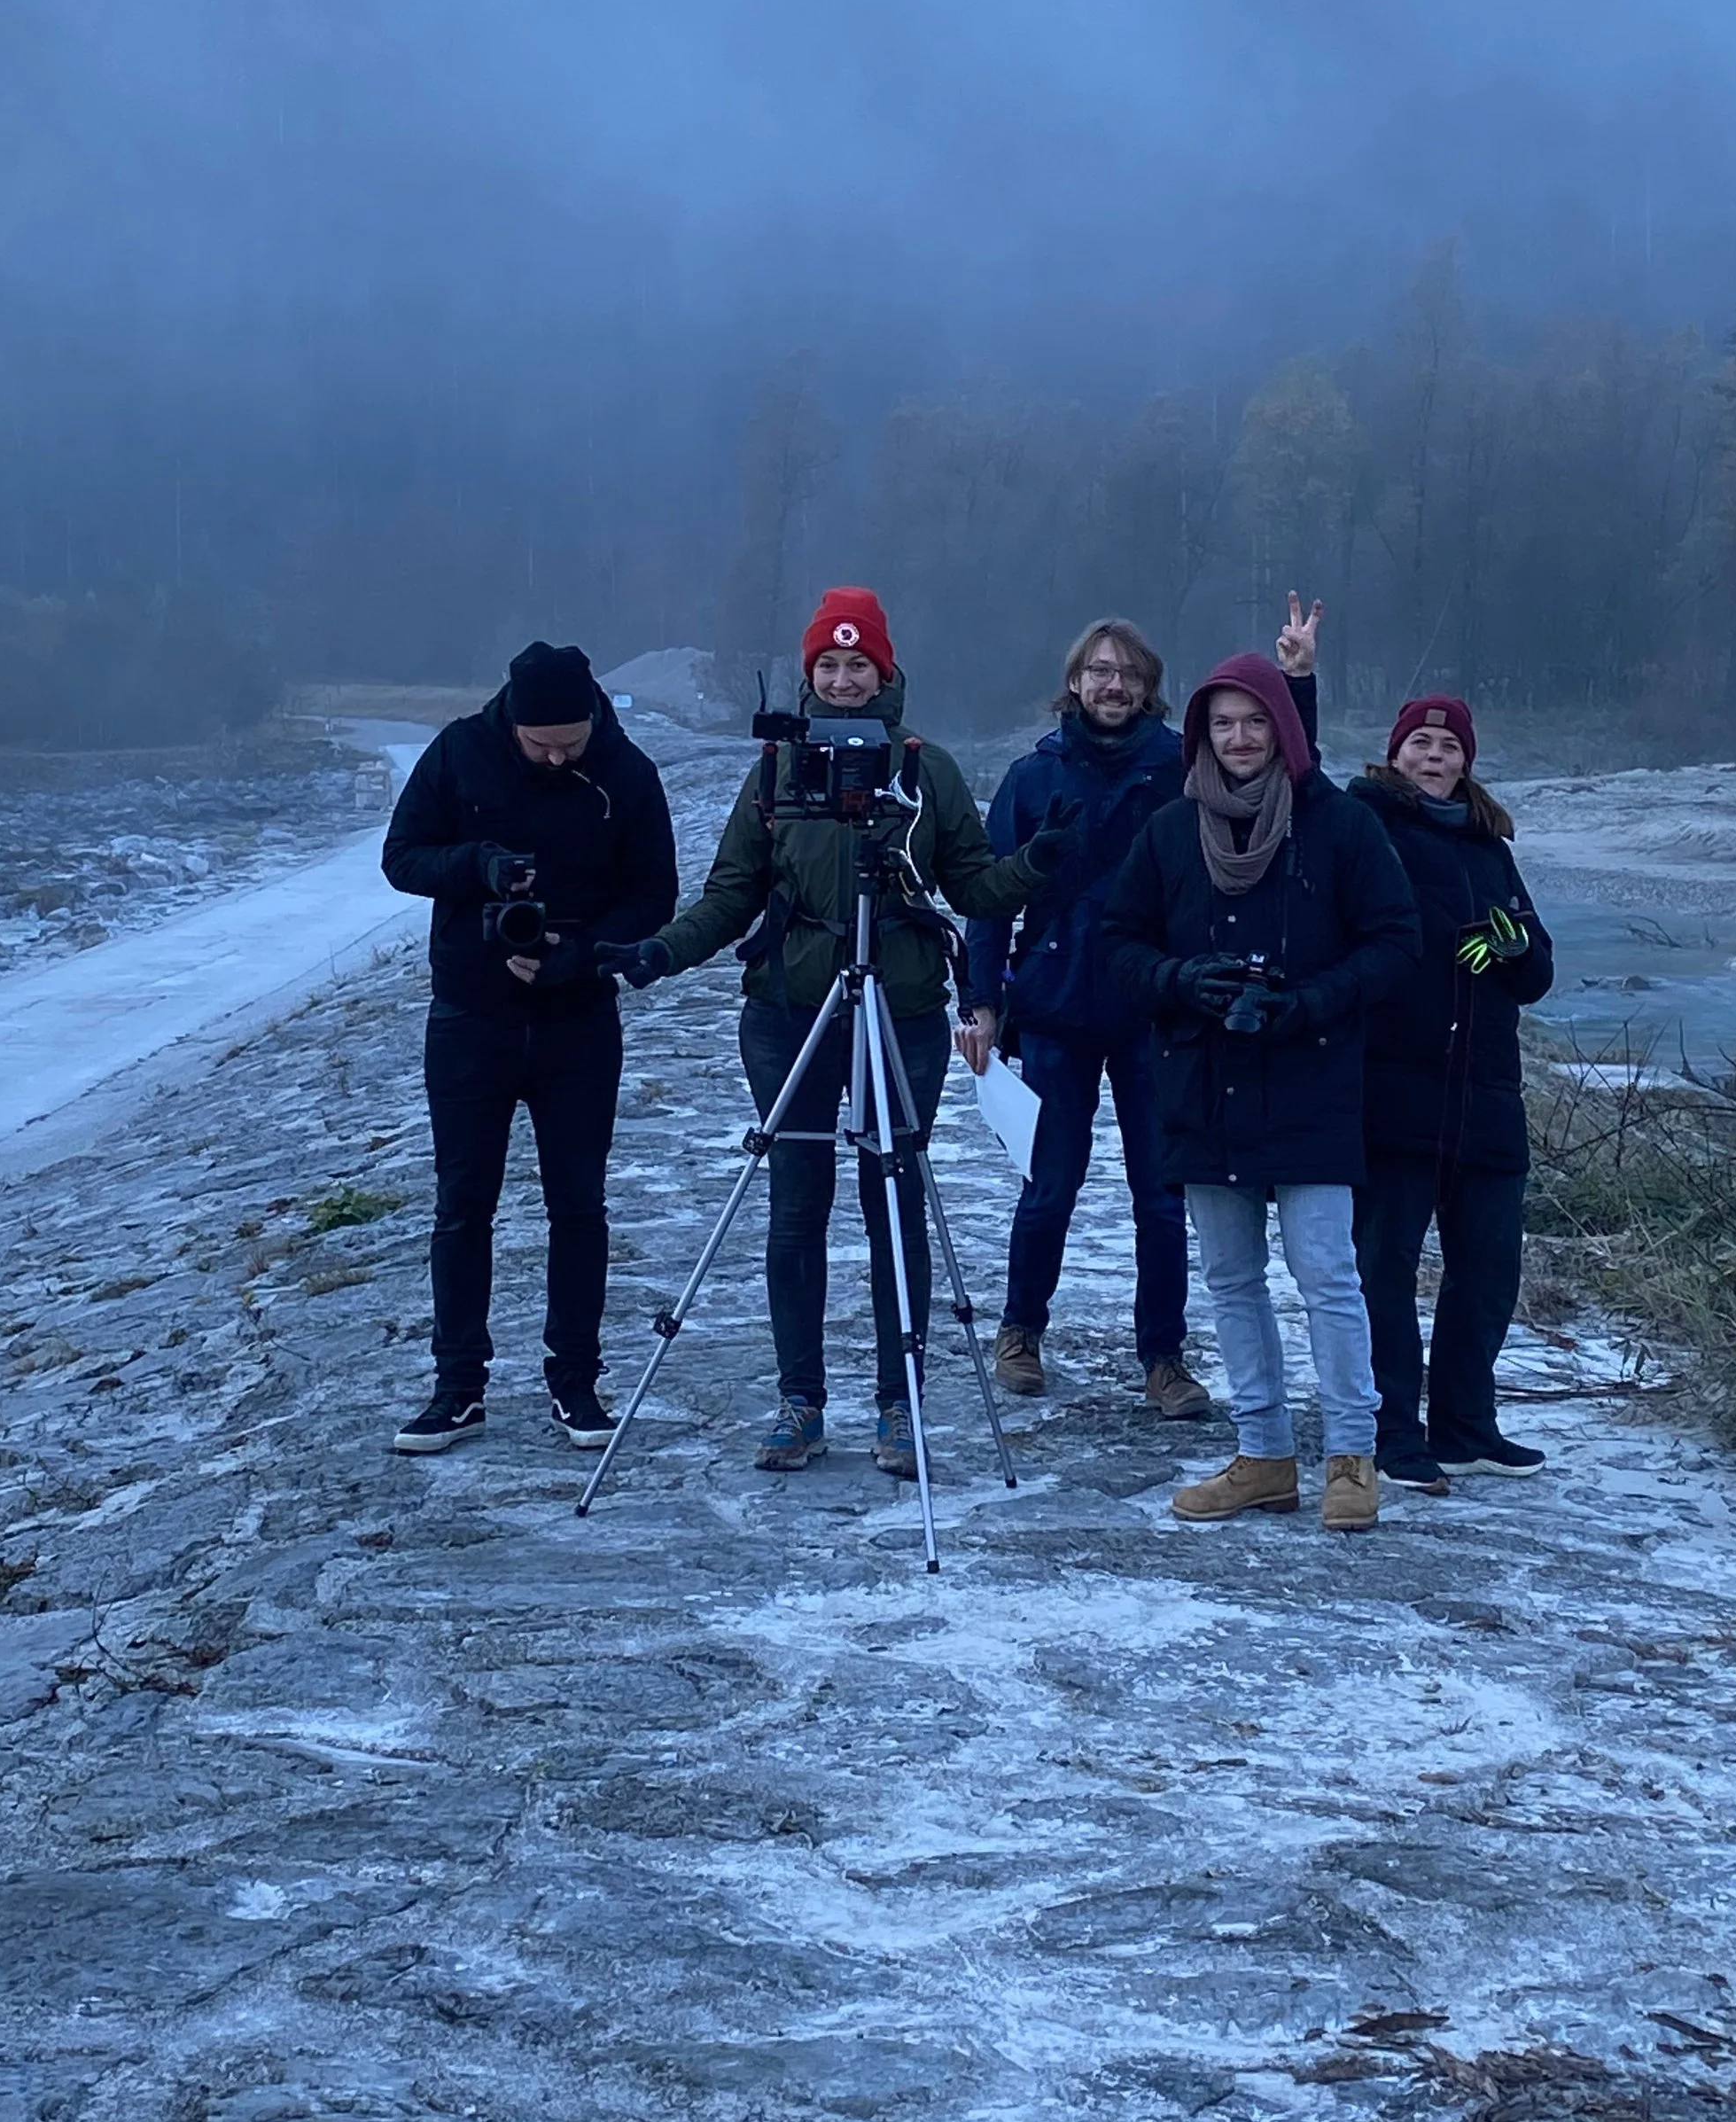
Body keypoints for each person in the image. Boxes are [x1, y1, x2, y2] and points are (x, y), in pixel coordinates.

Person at [601, 587, 1058, 1478]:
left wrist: (1037, 863)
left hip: (905, 1012)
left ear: (884, 673)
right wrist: (663, 951)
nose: (844, 680)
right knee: (795, 1204)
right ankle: (798, 1402)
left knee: (893, 1203)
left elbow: (972, 886)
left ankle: (899, 1406)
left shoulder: (924, 772)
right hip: (787, 1012)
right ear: (809, 676)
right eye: (828, 665)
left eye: (859, 665)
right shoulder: (776, 770)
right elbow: (732, 891)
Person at [963, 613, 1320, 1421]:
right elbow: (987, 900)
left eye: (1126, 672)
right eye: (1098, 670)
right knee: (1048, 1185)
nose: (1112, 684)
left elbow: (1287, 786)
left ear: (1149, 685)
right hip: (1055, 1005)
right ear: (1076, 682)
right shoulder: (1033, 775)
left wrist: (1297, 684)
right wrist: (981, 1000)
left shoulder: (1178, 769)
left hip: (1159, 1007)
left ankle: (1164, 1355)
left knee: (1161, 1196)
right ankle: (1020, 1330)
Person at [1105, 653, 1419, 1532]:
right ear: (1200, 733)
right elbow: (1118, 942)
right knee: (1232, 1279)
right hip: (1203, 1085)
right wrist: (1179, 979)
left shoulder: (1339, 824)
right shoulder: (1169, 831)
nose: (1238, 739)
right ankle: (1264, 1456)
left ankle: (1352, 1459)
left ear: (1283, 728)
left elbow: (1397, 942)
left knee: (1327, 1275)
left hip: (1312, 1079)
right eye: (1221, 723)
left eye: (1254, 721)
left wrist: (1313, 1000)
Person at [380, 641, 678, 1456]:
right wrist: (475, 864)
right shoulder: (459, 752)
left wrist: (583, 954)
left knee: (578, 1204)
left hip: (578, 1018)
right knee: (461, 1204)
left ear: (592, 720)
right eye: (540, 743)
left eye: (569, 743)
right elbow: (400, 857)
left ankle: (576, 1382)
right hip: (469, 1017)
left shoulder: (626, 771)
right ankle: (457, 1387)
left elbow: (657, 892)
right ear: (510, 720)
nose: (555, 756)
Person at [1349, 697, 1555, 1489]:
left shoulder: (1491, 847)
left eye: (1447, 746)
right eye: (1419, 743)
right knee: (1385, 1267)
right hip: (1395, 1088)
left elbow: (1537, 973)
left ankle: (1466, 1421)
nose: (1433, 756)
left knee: (1490, 1265)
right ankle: (1393, 1428)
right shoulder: (1368, 825)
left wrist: (1511, 944)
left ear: (1465, 761)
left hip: (1487, 1094)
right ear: (1395, 754)